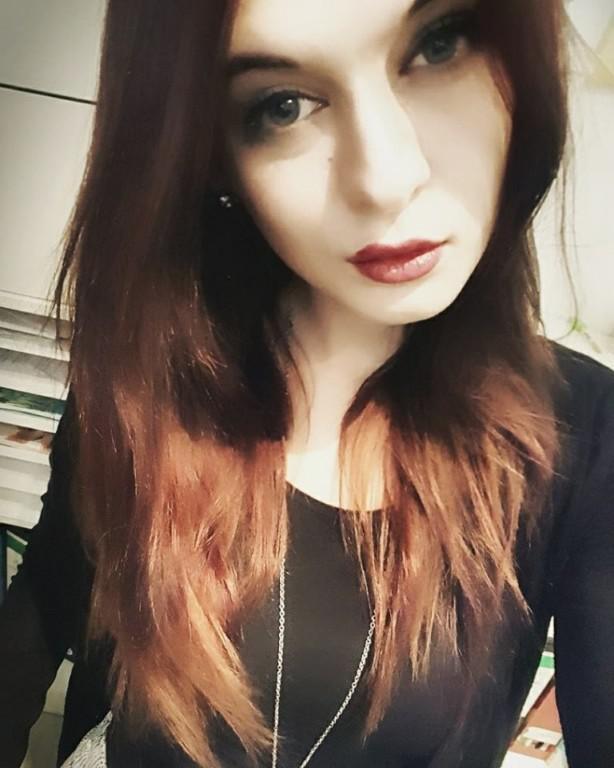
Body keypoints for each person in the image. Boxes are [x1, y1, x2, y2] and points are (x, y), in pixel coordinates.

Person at [1, 0, 613, 766]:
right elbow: (48, 601)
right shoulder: (149, 374)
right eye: (282, 106)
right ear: (212, 154)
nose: (386, 179)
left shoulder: (584, 433)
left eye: (438, 44)